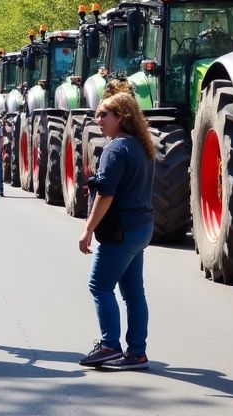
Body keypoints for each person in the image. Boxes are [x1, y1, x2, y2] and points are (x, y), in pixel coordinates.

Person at [78, 91, 154, 370]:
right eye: (97, 114)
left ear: (121, 117)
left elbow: (106, 195)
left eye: (103, 114)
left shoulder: (115, 148)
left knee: (99, 285)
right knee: (133, 292)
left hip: (121, 230)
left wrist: (87, 229)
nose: (98, 120)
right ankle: (136, 353)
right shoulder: (141, 146)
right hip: (141, 226)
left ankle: (110, 345)